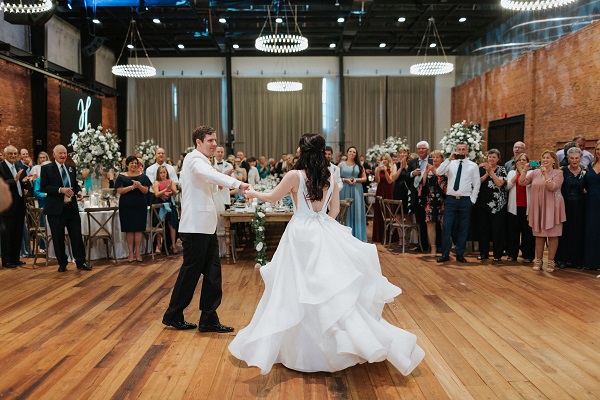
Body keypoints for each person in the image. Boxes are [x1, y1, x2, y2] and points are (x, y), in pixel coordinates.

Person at [228, 133, 425, 375]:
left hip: (299, 232)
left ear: (301, 151)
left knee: (297, 288)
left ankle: (303, 351)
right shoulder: (330, 175)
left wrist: (253, 194)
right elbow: (333, 211)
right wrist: (319, 224)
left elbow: (272, 197)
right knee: (329, 288)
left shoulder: (294, 175)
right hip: (324, 229)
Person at [162, 126, 250, 332]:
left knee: (213, 273)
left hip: (206, 227)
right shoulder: (194, 159)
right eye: (210, 140)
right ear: (198, 142)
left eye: (215, 140)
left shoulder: (203, 161)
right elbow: (209, 175)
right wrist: (237, 182)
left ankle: (208, 318)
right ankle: (173, 314)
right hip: (195, 227)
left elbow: (210, 184)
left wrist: (222, 182)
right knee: (190, 274)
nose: (214, 144)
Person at [40, 145, 92, 272]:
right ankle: (62, 262)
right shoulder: (47, 168)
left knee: (76, 236)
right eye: (60, 153)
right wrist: (60, 190)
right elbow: (44, 187)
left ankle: (80, 262)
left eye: (65, 153)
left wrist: (79, 192)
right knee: (58, 238)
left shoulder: (71, 168)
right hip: (55, 210)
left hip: (71, 208)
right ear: (54, 155)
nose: (63, 155)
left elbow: (75, 185)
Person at [519, 150, 566, 272]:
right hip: (538, 207)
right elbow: (522, 182)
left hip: (553, 207)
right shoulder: (535, 172)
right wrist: (525, 169)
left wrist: (545, 174)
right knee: (539, 235)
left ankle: (551, 262)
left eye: (548, 158)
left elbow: (551, 187)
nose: (545, 160)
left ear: (554, 161)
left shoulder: (559, 173)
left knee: (553, 235)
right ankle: (538, 260)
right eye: (543, 157)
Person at [436, 143, 481, 263]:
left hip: (465, 200)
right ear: (456, 151)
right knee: (446, 227)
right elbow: (439, 172)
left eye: (463, 149)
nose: (461, 151)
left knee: (463, 228)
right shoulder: (450, 163)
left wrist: (473, 199)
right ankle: (445, 254)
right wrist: (448, 159)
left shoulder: (473, 165)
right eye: (459, 149)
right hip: (451, 199)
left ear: (467, 151)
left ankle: (460, 254)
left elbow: (477, 183)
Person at [0, 145, 33, 268]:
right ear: (4, 155)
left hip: (19, 205)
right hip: (7, 206)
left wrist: (26, 182)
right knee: (7, 234)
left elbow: (26, 187)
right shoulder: (1, 167)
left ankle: (15, 258)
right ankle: (7, 260)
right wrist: (14, 180)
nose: (13, 156)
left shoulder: (19, 167)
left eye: (15, 154)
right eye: (10, 154)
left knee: (17, 233)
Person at [115, 156, 152, 262]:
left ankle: (138, 253)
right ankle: (130, 253)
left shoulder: (143, 176)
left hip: (140, 205)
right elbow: (120, 191)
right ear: (127, 165)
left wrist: (139, 186)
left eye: (136, 163)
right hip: (126, 205)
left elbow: (146, 191)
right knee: (129, 230)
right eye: (131, 163)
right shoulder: (121, 176)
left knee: (138, 229)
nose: (134, 165)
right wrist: (132, 187)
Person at [475, 149, 508, 262]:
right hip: (483, 204)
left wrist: (492, 173)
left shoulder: (502, 169)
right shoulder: (481, 169)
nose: (491, 159)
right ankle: (483, 253)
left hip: (498, 205)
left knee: (497, 230)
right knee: (483, 230)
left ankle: (497, 255)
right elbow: (476, 183)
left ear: (498, 159)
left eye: (494, 157)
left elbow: (499, 184)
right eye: (489, 157)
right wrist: (486, 174)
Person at [556, 147, 586, 269]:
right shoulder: (562, 171)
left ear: (580, 159)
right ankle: (562, 259)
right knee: (564, 232)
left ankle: (576, 260)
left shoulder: (585, 172)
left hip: (580, 206)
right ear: (568, 159)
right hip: (565, 206)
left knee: (578, 232)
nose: (574, 160)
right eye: (572, 158)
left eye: (577, 158)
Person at [505, 153, 535, 263]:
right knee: (513, 232)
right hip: (514, 207)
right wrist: (516, 174)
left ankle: (528, 255)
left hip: (527, 207)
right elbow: (507, 187)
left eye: (524, 160)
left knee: (528, 233)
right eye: (520, 160)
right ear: (516, 162)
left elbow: (529, 185)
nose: (522, 162)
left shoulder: (531, 172)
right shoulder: (511, 172)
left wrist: (524, 172)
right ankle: (512, 254)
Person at [407, 141, 433, 251]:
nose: (421, 150)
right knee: (420, 221)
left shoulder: (432, 160)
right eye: (419, 149)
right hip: (417, 195)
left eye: (423, 148)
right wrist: (412, 174)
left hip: (430, 195)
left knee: (432, 221)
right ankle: (423, 245)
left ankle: (436, 245)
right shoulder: (413, 162)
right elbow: (406, 177)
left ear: (427, 150)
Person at [339, 146, 367, 241]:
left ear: (356, 154)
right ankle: (343, 237)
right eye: (350, 151)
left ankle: (357, 236)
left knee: (356, 211)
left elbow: (364, 178)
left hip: (356, 189)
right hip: (344, 188)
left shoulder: (359, 165)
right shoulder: (341, 165)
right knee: (344, 211)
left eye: (354, 152)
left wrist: (356, 179)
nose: (352, 153)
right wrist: (344, 180)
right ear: (347, 153)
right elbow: (335, 178)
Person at [424, 151, 447, 256]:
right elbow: (423, 184)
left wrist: (434, 170)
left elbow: (444, 183)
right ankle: (433, 247)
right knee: (430, 223)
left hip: (443, 199)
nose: (435, 159)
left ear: (442, 159)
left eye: (438, 157)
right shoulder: (429, 169)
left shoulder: (445, 169)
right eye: (433, 157)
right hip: (430, 199)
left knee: (444, 224)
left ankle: (444, 247)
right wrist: (425, 172)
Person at [152, 165, 180, 255]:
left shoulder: (171, 181)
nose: (163, 174)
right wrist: (165, 190)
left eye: (164, 172)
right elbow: (156, 194)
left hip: (170, 204)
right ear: (158, 174)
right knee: (159, 225)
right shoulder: (156, 182)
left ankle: (173, 245)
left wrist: (171, 190)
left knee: (172, 225)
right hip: (160, 205)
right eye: (161, 173)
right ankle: (158, 246)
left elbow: (175, 193)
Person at [371, 153, 396, 243]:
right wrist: (377, 171)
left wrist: (385, 171)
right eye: (383, 159)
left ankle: (391, 237)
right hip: (380, 190)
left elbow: (390, 181)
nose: (384, 161)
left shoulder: (392, 168)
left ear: (388, 160)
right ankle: (379, 236)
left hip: (389, 190)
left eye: (385, 159)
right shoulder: (378, 168)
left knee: (389, 212)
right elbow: (378, 181)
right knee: (380, 212)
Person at [584, 140, 600, 269]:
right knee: (591, 230)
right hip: (590, 202)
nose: (599, 151)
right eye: (598, 149)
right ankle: (590, 261)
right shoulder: (590, 165)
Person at [391, 146, 412, 217]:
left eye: (404, 152)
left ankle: (408, 228)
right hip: (399, 191)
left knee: (409, 215)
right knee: (399, 214)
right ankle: (399, 228)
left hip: (409, 191)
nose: (402, 154)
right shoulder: (396, 165)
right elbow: (393, 178)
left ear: (407, 154)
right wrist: (401, 168)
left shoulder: (411, 164)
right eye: (401, 153)